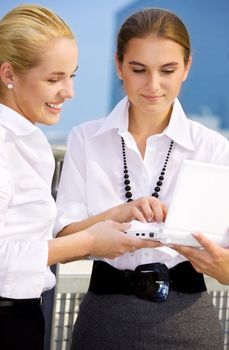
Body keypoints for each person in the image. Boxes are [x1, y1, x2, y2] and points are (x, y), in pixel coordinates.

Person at [55, 8, 229, 350]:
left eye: (167, 70)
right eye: (138, 70)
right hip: (102, 321)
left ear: (187, 68)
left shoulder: (215, 149)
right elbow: (62, 239)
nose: (153, 85)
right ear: (119, 66)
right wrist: (116, 216)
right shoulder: (85, 139)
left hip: (190, 325)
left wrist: (223, 268)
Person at [0, 5, 162, 350]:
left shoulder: (28, 140)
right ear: (8, 74)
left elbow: (30, 239)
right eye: (53, 78)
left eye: (71, 76)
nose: (69, 92)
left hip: (23, 316)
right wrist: (88, 243)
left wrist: (115, 215)